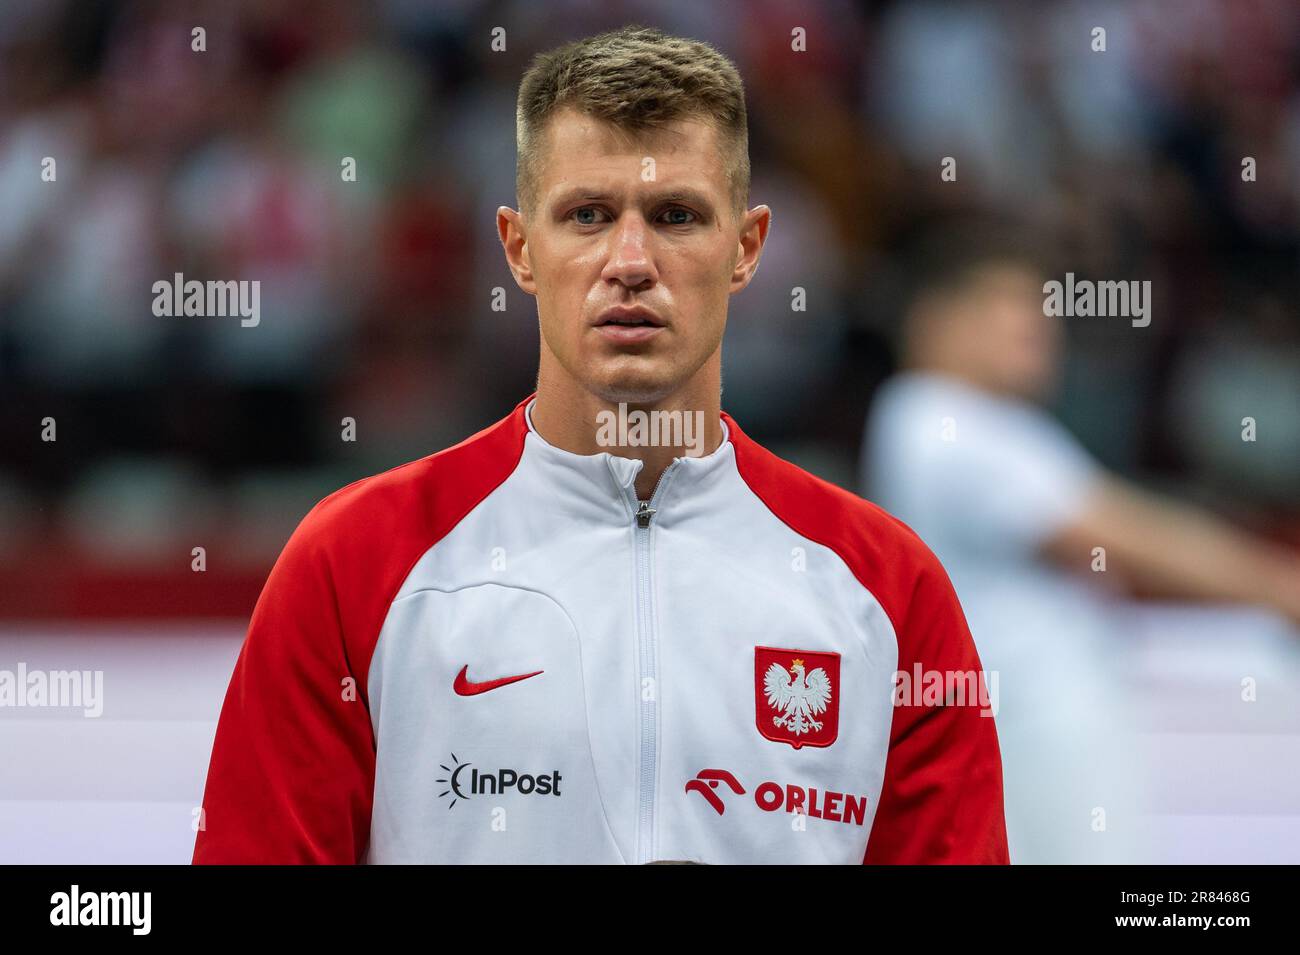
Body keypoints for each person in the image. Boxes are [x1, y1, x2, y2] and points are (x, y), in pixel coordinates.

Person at [193, 26, 1007, 865]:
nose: (630, 260)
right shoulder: (353, 561)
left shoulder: (889, 589)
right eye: (587, 215)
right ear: (518, 248)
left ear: (747, 248)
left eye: (676, 216)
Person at [862, 229, 1300, 862]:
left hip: (1047, 727)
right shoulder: (937, 418)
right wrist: (1276, 585)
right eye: (1007, 305)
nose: (1036, 327)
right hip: (1027, 734)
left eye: (1040, 309)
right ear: (938, 319)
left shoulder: (998, 426)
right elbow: (1123, 534)